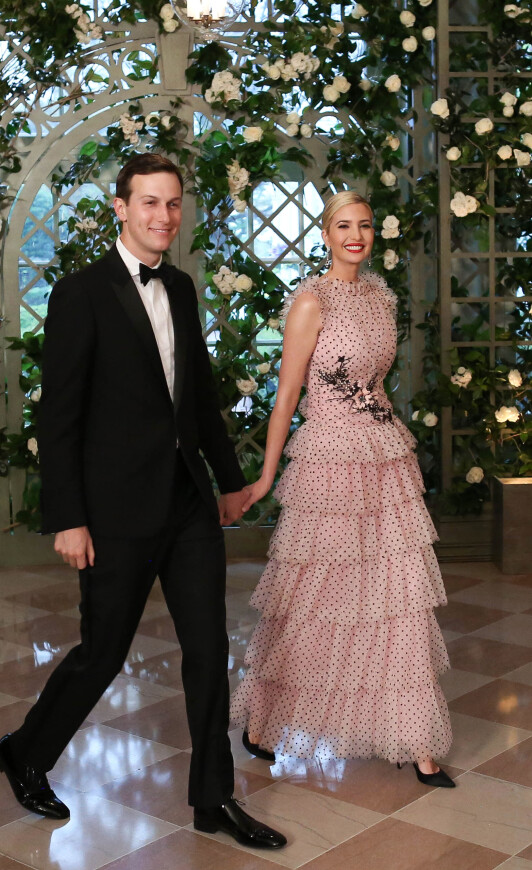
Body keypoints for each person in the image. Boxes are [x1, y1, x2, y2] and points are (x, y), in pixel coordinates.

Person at [0, 153, 286, 849]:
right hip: (114, 510)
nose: (163, 216)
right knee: (102, 653)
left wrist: (232, 480)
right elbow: (58, 416)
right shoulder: (80, 293)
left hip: (186, 504)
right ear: (120, 207)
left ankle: (213, 799)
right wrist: (67, 517)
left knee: (209, 649)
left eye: (173, 204)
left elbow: (200, 399)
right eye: (149, 203)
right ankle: (25, 752)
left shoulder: (182, 287)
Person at [231, 191, 454, 788]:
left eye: (365, 226)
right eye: (342, 226)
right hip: (328, 458)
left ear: (373, 234)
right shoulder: (311, 300)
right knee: (314, 597)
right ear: (326, 234)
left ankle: (414, 739)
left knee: (394, 593)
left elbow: (374, 381)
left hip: (384, 459)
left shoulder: (381, 296)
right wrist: (267, 474)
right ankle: (264, 722)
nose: (355, 235)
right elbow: (286, 397)